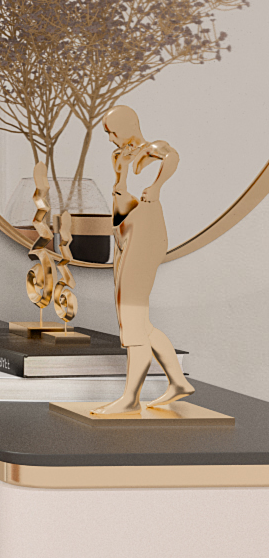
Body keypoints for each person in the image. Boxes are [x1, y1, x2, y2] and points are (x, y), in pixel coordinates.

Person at [90, 105, 196, 416]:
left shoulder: (152, 150)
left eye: (112, 130)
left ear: (127, 125)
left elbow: (172, 156)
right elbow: (121, 198)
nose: (110, 138)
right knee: (139, 320)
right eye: (107, 133)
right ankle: (178, 382)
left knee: (131, 317)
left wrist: (157, 186)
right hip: (126, 238)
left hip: (146, 236)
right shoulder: (118, 157)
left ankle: (130, 397)